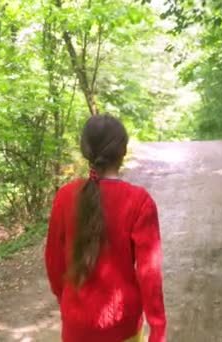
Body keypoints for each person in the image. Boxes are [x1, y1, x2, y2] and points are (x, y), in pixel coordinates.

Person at [44, 114, 166, 342]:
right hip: (123, 327)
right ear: (123, 152)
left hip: (75, 327)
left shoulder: (65, 196)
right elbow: (150, 273)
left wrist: (68, 301)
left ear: (85, 151)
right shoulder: (139, 201)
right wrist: (157, 330)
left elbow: (53, 261)